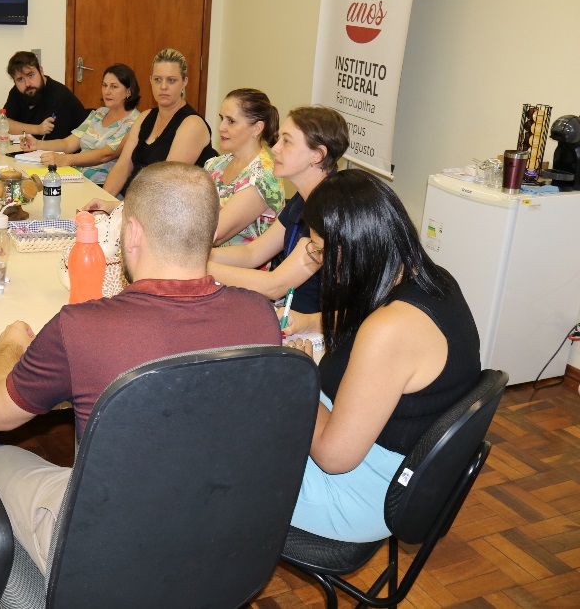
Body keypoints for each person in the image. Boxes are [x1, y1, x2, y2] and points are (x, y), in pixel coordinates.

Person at [0, 161, 282, 574]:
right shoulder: (260, 316)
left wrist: (8, 348)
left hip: (106, 555)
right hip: (222, 543)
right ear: (210, 235)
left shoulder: (80, 326)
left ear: (131, 233)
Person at [282, 170, 481, 543]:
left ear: (358, 248)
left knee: (219, 463)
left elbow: (332, 456)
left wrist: (302, 376)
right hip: (387, 463)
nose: (321, 263)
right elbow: (367, 316)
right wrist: (311, 320)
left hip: (358, 494)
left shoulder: (390, 330)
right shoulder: (429, 279)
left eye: (322, 251)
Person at [208, 106, 349, 314]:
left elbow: (274, 285)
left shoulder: (330, 208)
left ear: (317, 155)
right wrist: (198, 255)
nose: (275, 148)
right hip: (289, 316)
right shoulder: (303, 197)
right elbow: (252, 253)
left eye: (287, 141)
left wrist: (196, 268)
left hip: (312, 330)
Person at [101, 48, 217, 198]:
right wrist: (102, 203)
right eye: (157, 79)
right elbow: (123, 166)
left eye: (171, 80)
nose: (163, 87)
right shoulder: (145, 117)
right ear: (150, 80)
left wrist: (117, 208)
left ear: (184, 82)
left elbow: (165, 185)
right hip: (132, 201)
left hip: (166, 209)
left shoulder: (192, 125)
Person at [20, 63, 141, 184]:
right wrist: (37, 144)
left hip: (100, 184)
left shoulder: (135, 121)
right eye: (104, 85)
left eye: (114, 87)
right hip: (75, 176)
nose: (107, 91)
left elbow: (106, 154)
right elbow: (68, 144)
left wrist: (66, 159)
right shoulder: (99, 113)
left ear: (128, 92)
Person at [205, 89, 285, 252]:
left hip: (240, 274)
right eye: (222, 119)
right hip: (203, 265)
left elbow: (214, 235)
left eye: (231, 121)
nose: (221, 127)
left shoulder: (265, 176)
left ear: (257, 128)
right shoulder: (215, 165)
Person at [2, 51, 87, 141]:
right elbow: (5, 124)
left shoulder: (60, 97)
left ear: (41, 71)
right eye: (20, 79)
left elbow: (54, 143)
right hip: (32, 149)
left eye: (30, 75)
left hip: (67, 151)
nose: (27, 84)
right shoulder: (18, 91)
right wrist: (38, 129)